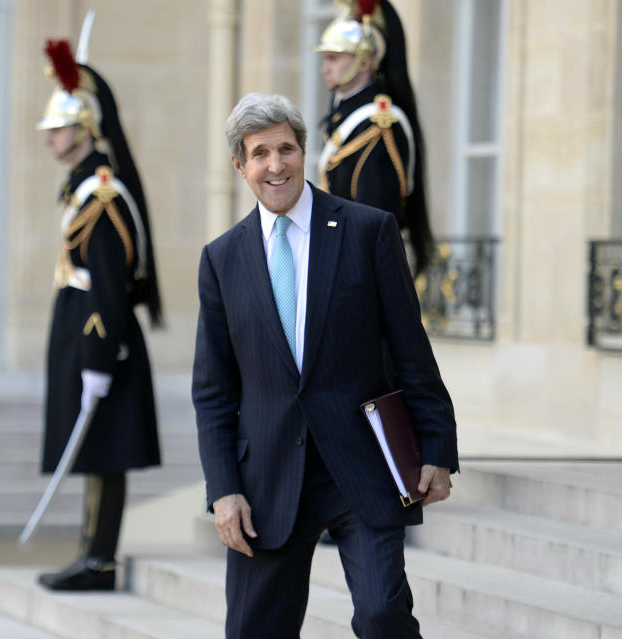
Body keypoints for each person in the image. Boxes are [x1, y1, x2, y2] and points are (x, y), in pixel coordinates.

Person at [192, 92, 458, 638]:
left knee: (384, 615)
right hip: (265, 476)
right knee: (253, 630)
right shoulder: (222, 259)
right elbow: (214, 390)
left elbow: (411, 348)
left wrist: (437, 447)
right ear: (240, 166)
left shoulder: (367, 230)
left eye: (286, 149)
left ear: (303, 152)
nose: (276, 165)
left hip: (361, 462)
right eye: (260, 153)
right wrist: (223, 488)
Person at [35, 38, 163, 591]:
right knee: (94, 449)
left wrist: (97, 354)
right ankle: (91, 553)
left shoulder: (102, 193)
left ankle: (99, 559)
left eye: (60, 128)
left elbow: (109, 285)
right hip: (82, 327)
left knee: (103, 449)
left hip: (98, 331)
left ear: (86, 127)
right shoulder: (84, 186)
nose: (51, 136)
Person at [316, 0, 434, 274]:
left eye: (334, 58)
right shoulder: (344, 113)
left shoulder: (379, 123)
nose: (325, 68)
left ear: (365, 60)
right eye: (325, 58)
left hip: (360, 269)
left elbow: (376, 215)